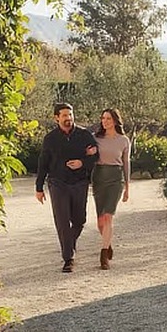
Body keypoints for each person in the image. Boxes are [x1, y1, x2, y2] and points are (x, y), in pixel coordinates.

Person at [36, 103, 98, 273]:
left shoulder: (85, 135)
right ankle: (68, 259)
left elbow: (96, 155)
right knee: (62, 221)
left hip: (79, 182)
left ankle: (69, 244)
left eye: (70, 115)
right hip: (58, 183)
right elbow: (43, 163)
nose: (68, 118)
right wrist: (39, 187)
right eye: (64, 115)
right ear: (56, 118)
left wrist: (82, 163)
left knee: (80, 220)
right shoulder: (50, 139)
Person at [90, 108, 131, 270]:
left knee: (108, 216)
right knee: (100, 221)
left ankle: (103, 254)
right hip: (99, 178)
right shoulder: (95, 138)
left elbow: (126, 163)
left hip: (116, 179)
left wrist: (127, 186)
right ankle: (108, 242)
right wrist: (89, 153)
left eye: (108, 118)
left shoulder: (124, 140)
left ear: (115, 120)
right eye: (103, 118)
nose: (104, 121)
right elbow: (88, 156)